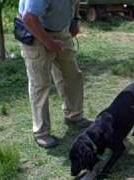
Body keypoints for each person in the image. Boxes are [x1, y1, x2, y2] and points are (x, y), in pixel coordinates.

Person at [18, 0, 91, 148]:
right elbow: (29, 18)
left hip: (61, 31)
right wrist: (49, 43)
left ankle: (74, 116)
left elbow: (75, 2)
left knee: (72, 75)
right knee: (41, 84)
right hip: (34, 29)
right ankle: (41, 132)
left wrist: (75, 20)